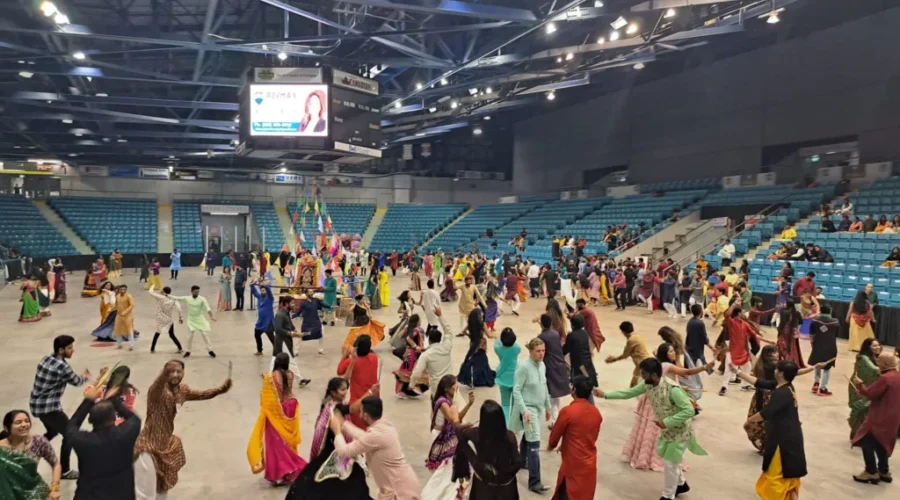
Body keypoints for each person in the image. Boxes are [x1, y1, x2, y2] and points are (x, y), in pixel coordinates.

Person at [598, 358, 707, 500]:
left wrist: (667, 421)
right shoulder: (647, 384)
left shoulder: (673, 389)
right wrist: (605, 395)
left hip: (680, 431)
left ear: (654, 375)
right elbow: (628, 393)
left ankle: (668, 496)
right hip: (668, 430)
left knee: (670, 463)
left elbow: (689, 410)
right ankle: (681, 484)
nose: (641, 376)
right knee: (670, 460)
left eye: (643, 373)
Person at [133, 360, 231, 500]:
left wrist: (221, 390)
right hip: (147, 448)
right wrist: (164, 374)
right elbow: (158, 384)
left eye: (178, 371)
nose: (175, 374)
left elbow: (202, 394)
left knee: (162, 490)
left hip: (164, 447)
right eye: (171, 371)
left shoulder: (182, 391)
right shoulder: (157, 392)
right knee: (146, 495)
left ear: (183, 373)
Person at [285, 378, 369, 499]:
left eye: (346, 389)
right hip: (335, 452)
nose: (346, 392)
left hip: (332, 449)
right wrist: (370, 392)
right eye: (342, 390)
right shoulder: (336, 409)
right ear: (333, 392)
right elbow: (353, 409)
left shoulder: (328, 403)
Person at [331, 396, 421, 499]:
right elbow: (364, 437)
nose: (359, 415)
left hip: (399, 491)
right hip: (403, 484)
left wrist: (337, 431)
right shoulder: (386, 426)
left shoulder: (375, 436)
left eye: (360, 412)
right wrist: (344, 423)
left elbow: (344, 451)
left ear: (365, 416)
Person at [65, 384, 141, 500]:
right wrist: (114, 400)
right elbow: (135, 419)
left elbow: (71, 427)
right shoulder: (126, 434)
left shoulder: (83, 441)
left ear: (90, 420)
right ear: (114, 418)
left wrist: (89, 400)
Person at [29, 335, 89, 481]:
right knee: (70, 434)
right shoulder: (62, 366)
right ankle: (65, 471)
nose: (72, 350)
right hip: (49, 408)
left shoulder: (46, 359)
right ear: (61, 350)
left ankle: (29, 453)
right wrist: (85, 376)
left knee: (52, 431)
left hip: (37, 405)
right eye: (69, 348)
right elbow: (76, 381)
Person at [247, 353, 307, 485]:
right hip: (291, 406)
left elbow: (268, 397)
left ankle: (281, 472)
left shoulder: (272, 377)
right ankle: (288, 469)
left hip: (277, 410)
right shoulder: (290, 374)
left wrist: (265, 380)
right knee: (286, 440)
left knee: (275, 442)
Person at [548, 376, 602, 500]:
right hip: (589, 463)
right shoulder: (596, 413)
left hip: (572, 463)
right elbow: (588, 436)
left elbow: (554, 438)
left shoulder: (568, 411)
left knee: (568, 493)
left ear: (574, 390)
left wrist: (551, 446)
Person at [849, 352, 900, 484]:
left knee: (866, 441)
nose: (877, 363)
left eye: (879, 361)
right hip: (893, 417)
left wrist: (860, 384)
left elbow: (870, 393)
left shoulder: (886, 378)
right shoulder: (897, 376)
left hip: (880, 416)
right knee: (882, 443)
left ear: (885, 364)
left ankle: (871, 472)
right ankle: (884, 470)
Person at [510, 338, 553, 493]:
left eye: (543, 350)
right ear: (530, 351)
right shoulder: (523, 368)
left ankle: (521, 461)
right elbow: (516, 390)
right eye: (538, 351)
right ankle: (534, 481)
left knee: (528, 437)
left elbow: (544, 386)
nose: (541, 354)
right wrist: (524, 410)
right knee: (534, 443)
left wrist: (548, 406)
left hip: (538, 408)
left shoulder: (542, 365)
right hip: (528, 409)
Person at [421, 375, 474, 499]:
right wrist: (465, 426)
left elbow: (457, 418)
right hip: (440, 437)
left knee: (448, 469)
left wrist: (469, 404)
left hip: (448, 437)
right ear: (446, 388)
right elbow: (454, 420)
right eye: (454, 385)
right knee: (444, 470)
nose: (457, 387)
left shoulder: (449, 400)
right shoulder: (443, 403)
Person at [0, 409, 62, 500]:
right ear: (6, 428)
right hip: (7, 493)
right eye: (18, 422)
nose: (24, 424)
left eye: (27, 421)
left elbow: (56, 464)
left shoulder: (39, 441)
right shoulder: (1, 448)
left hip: (35, 492)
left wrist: (55, 488)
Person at [720, 300, 773, 396]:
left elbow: (754, 334)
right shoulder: (731, 322)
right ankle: (724, 387)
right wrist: (734, 304)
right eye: (743, 312)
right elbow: (726, 314)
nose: (745, 313)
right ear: (738, 313)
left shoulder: (745, 324)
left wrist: (768, 341)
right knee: (728, 370)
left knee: (747, 368)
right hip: (733, 352)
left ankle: (745, 385)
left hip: (743, 352)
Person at [409, 306, 455, 396]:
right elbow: (448, 331)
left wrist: (411, 385)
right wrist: (440, 316)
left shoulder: (426, 355)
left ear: (429, 340)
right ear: (440, 339)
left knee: (438, 404)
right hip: (450, 385)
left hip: (437, 387)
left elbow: (417, 372)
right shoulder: (447, 347)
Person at [337, 335, 380, 430]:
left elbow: (339, 371)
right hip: (373, 399)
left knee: (357, 432)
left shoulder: (351, 361)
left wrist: (344, 357)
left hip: (357, 403)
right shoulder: (374, 358)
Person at [273, 296, 312, 386]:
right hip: (282, 342)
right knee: (289, 360)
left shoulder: (286, 313)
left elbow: (289, 324)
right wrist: (290, 333)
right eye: (292, 303)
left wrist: (295, 331)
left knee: (276, 359)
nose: (294, 305)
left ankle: (270, 378)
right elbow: (278, 329)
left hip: (286, 340)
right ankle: (300, 380)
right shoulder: (280, 315)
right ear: (286, 304)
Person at [171, 286, 217, 358]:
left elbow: (207, 308)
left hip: (200, 318)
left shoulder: (202, 299)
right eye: (195, 292)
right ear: (192, 292)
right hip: (191, 319)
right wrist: (166, 295)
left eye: (198, 292)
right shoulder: (187, 298)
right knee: (190, 336)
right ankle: (188, 351)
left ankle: (210, 350)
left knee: (204, 334)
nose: (197, 293)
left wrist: (211, 316)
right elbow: (177, 298)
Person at [850, 339, 883, 439]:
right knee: (860, 410)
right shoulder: (863, 357)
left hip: (870, 388)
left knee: (868, 411)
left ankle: (862, 434)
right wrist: (890, 368)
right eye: (874, 346)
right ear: (868, 347)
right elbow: (874, 369)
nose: (877, 347)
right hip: (859, 386)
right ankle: (855, 432)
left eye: (878, 345)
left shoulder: (876, 357)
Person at [457, 308, 496, 388]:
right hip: (480, 344)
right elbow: (489, 335)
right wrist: (495, 336)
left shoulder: (470, 324)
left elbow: (463, 332)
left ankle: (472, 378)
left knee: (473, 360)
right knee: (482, 361)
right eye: (481, 313)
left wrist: (469, 336)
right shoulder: (482, 324)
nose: (482, 314)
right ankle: (479, 378)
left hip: (472, 344)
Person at [393, 314, 429, 398]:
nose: (421, 321)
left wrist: (405, 329)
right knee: (407, 371)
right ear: (417, 321)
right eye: (420, 319)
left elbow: (399, 336)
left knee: (405, 371)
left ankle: (401, 390)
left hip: (408, 353)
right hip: (412, 353)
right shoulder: (417, 330)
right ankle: (404, 390)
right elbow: (408, 338)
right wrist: (416, 346)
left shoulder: (410, 329)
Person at [605, 321, 650, 388]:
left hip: (642, 364)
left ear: (623, 332)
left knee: (635, 385)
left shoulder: (631, 340)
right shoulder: (636, 336)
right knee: (636, 383)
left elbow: (625, 355)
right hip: (644, 362)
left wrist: (614, 359)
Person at [808, 305, 839, 396]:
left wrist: (812, 343)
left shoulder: (815, 321)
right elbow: (836, 334)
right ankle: (823, 388)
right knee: (827, 367)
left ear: (820, 311)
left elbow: (811, 334)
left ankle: (816, 383)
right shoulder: (835, 321)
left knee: (817, 364)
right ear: (830, 311)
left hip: (817, 345)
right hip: (830, 346)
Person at [493, 328, 521, 423]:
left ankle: (506, 424)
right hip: (515, 378)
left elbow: (497, 342)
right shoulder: (517, 348)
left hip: (503, 378)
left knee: (505, 404)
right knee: (514, 404)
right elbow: (516, 344)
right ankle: (513, 425)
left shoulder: (498, 349)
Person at [250, 280, 275, 355]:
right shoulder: (260, 297)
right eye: (261, 290)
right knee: (257, 335)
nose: (262, 292)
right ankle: (259, 350)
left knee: (271, 338)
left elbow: (269, 292)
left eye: (264, 290)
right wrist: (252, 284)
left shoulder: (270, 298)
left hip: (268, 322)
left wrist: (266, 286)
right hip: (260, 322)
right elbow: (254, 292)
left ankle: (278, 350)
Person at [113, 285, 137, 351]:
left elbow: (132, 305)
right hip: (119, 316)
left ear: (126, 290)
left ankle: (131, 345)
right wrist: (111, 310)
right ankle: (119, 344)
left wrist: (125, 312)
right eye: (121, 289)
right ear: (119, 290)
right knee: (117, 329)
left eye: (124, 289)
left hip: (127, 316)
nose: (122, 291)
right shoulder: (117, 296)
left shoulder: (129, 296)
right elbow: (116, 305)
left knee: (129, 330)